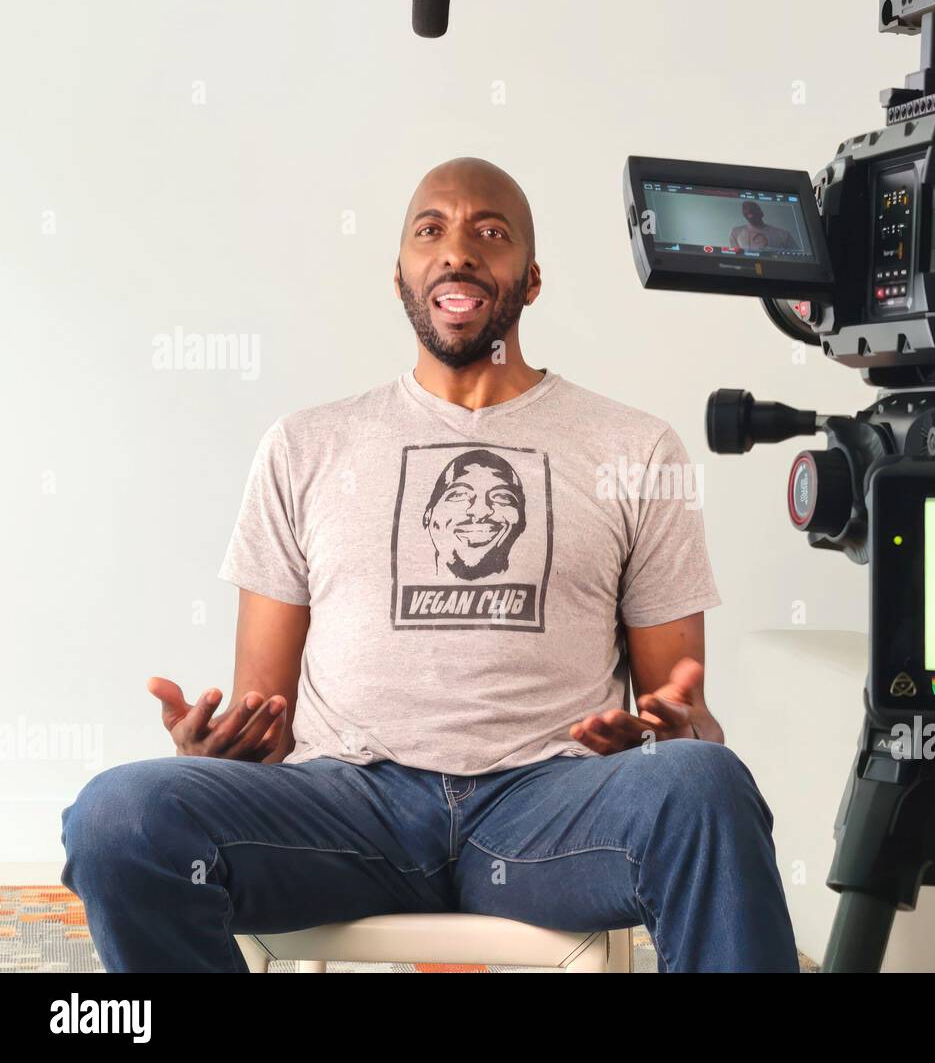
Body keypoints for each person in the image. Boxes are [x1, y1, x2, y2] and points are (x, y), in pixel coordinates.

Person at [59, 157, 800, 973]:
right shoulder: (306, 445)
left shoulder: (636, 448)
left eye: (491, 232)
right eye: (431, 231)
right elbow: (263, 724)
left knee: (707, 785)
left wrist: (678, 735)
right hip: (350, 811)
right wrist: (213, 755)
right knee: (118, 816)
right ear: (402, 272)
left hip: (549, 810)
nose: (458, 251)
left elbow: (687, 717)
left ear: (532, 277)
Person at [728, 200, 797, 251]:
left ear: (761, 213)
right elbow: (734, 258)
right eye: (745, 209)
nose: (749, 210)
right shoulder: (735, 233)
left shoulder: (783, 234)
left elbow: (797, 257)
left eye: (753, 209)